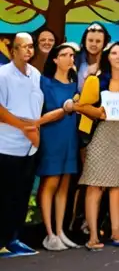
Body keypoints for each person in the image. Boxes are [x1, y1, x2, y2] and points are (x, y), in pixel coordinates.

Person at [76, 41, 119, 251]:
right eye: (114, 53)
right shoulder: (95, 80)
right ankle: (93, 235)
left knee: (118, 184)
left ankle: (116, 231)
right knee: (95, 184)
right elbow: (81, 106)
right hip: (100, 135)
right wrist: (99, 113)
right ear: (107, 56)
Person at [0, 33, 45, 258]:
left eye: (30, 47)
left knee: (21, 196)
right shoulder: (2, 75)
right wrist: (23, 127)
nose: (28, 51)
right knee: (5, 196)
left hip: (29, 147)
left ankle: (14, 239)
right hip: (6, 146)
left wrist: (33, 132)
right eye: (22, 47)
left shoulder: (35, 74)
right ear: (13, 51)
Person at [37, 42, 80, 251]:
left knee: (64, 184)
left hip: (70, 138)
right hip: (51, 137)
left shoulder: (76, 86)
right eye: (64, 55)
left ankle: (60, 230)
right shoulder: (44, 83)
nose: (69, 58)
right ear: (55, 59)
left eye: (72, 55)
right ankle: (49, 233)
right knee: (50, 182)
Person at [76, 23, 110, 93]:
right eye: (90, 40)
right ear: (84, 41)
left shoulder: (109, 63)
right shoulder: (76, 61)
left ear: (104, 43)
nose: (94, 44)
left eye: (98, 41)